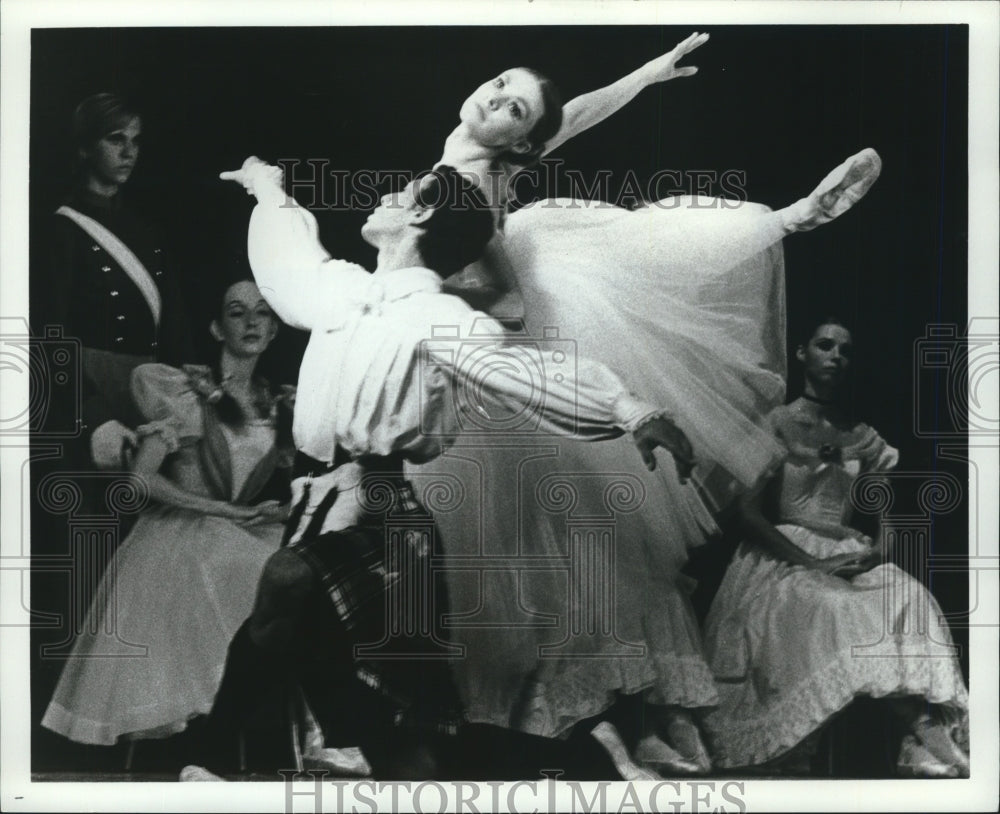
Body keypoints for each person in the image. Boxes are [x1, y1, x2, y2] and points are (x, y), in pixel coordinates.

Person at [410, 33, 883, 773]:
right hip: (510, 331)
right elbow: (572, 118)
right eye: (500, 85)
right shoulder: (474, 148)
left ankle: (785, 219)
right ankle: (625, 725)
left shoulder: (471, 185)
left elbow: (503, 303)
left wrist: (432, 293)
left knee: (573, 541)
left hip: (513, 332)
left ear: (520, 144)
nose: (493, 99)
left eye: (512, 108)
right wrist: (646, 76)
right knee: (571, 543)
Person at [183, 158, 697, 781]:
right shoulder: (341, 288)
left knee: (286, 579)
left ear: (422, 213)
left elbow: (523, 371)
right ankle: (586, 756)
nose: (383, 196)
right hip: (317, 504)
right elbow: (290, 257)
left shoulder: (439, 316)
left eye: (401, 192)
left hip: (384, 514)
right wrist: (267, 188)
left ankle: (203, 763)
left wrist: (632, 410)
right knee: (408, 754)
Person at [700, 319, 970, 777]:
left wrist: (878, 551)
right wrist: (812, 561)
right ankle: (922, 731)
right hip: (784, 554)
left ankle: (919, 739)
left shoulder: (861, 434)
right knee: (833, 607)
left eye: (845, 350)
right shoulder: (778, 423)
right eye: (825, 345)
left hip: (847, 551)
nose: (836, 356)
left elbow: (883, 513)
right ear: (803, 353)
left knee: (912, 598)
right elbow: (747, 514)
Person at [41, 279, 296, 752]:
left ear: (276, 328)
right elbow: (141, 480)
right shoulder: (184, 393)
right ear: (217, 328)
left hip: (242, 528)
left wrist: (271, 510)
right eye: (237, 313)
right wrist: (225, 510)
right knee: (249, 569)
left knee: (304, 572)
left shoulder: (276, 402)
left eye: (263, 313)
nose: (251, 322)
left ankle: (303, 727)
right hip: (180, 531)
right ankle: (220, 720)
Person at [34, 92, 194, 464]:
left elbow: (175, 323)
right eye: (116, 139)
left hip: (148, 394)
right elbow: (49, 335)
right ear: (86, 148)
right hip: (88, 394)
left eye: (135, 141)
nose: (129, 152)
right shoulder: (60, 229)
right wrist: (95, 416)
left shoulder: (147, 230)